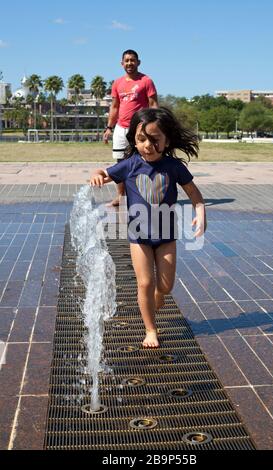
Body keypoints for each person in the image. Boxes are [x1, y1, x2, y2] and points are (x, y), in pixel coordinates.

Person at [91, 107, 206, 348]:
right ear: (134, 137)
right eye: (142, 139)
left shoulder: (174, 167)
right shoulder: (130, 164)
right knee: (144, 283)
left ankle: (158, 296)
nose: (147, 145)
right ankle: (150, 329)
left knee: (165, 286)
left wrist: (200, 212)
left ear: (167, 140)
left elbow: (194, 194)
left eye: (155, 140)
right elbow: (104, 171)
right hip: (139, 237)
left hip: (166, 236)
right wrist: (97, 174)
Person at [103, 49, 158, 207]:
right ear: (122, 63)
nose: (129, 63)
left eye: (132, 60)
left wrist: (154, 126)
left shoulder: (146, 81)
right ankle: (121, 196)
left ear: (138, 62)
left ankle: (146, 195)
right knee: (120, 163)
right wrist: (109, 128)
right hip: (121, 128)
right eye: (126, 60)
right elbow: (114, 107)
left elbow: (153, 105)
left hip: (140, 129)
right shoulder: (117, 83)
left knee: (145, 160)